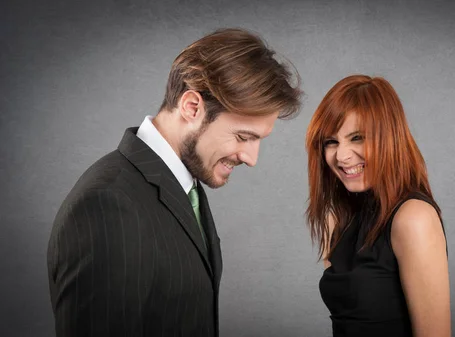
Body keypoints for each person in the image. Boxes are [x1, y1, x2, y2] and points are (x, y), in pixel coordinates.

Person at [47, 28, 302, 337]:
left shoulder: (184, 185)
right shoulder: (107, 205)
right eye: (243, 137)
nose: (251, 158)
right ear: (192, 107)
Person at [305, 75, 450, 336]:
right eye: (332, 142)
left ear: (389, 138)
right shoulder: (339, 218)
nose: (342, 155)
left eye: (357, 137)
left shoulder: (414, 218)